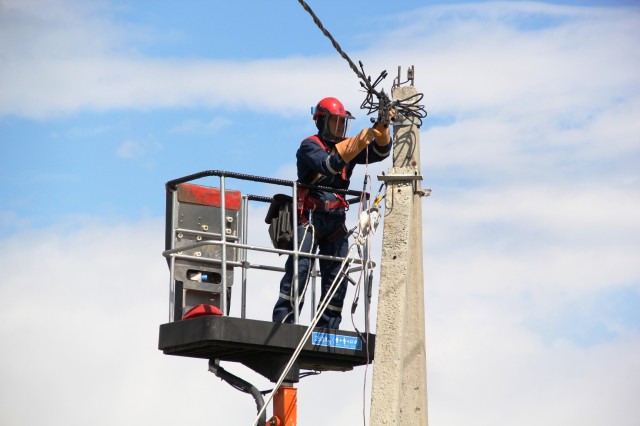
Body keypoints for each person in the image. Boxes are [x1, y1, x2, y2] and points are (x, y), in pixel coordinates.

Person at [272, 96, 394, 329]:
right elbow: (330, 164)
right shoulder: (310, 146)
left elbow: (380, 152)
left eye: (342, 122)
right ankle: (284, 322)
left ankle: (328, 327)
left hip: (335, 220)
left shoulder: (348, 146)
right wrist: (362, 137)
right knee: (300, 268)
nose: (340, 126)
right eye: (335, 121)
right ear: (321, 122)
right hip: (311, 217)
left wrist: (382, 126)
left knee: (338, 274)